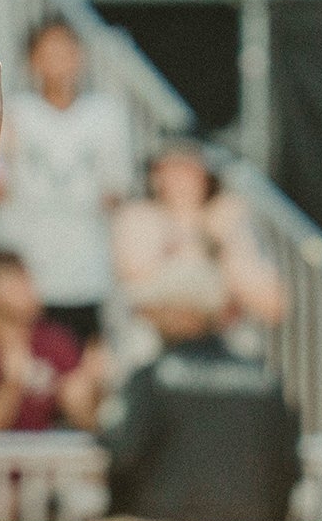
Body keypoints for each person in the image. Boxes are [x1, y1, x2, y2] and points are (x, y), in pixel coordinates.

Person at [99, 256, 300, 521]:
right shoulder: (265, 379)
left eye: (161, 308)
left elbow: (121, 452)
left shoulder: (153, 379)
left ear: (186, 314)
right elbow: (288, 466)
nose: (150, 318)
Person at [0, 18, 132, 347]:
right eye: (47, 54)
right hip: (25, 261)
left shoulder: (106, 113)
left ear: (80, 57)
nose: (58, 63)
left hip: (85, 265)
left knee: (81, 353)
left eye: (65, 53)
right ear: (32, 61)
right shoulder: (14, 111)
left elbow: (116, 188)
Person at [112, 138, 286, 369]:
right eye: (170, 169)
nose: (180, 179)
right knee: (137, 344)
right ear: (156, 175)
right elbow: (136, 278)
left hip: (220, 340)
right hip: (157, 341)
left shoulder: (229, 217)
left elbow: (272, 305)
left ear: (206, 174)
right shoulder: (138, 216)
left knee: (246, 344)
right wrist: (200, 241)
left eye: (189, 169)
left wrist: (221, 244)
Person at [0, 249, 106, 433]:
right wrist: (11, 384)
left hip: (45, 446)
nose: (28, 291)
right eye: (15, 285)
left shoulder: (54, 339)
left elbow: (91, 424)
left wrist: (94, 391)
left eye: (27, 281)